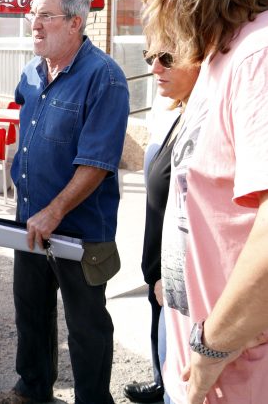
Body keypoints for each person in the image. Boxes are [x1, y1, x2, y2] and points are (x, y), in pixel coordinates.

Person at [128, 0, 268, 404]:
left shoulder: (257, 57)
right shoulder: (217, 56)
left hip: (237, 371)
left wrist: (211, 351)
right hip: (203, 361)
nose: (148, 7)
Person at [0, 0, 129, 404]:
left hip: (80, 230)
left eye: (45, 16)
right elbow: (26, 120)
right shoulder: (33, 70)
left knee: (86, 325)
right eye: (32, 15)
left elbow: (97, 163)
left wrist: (54, 211)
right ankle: (33, 388)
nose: (34, 24)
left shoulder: (104, 77)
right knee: (31, 312)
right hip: (30, 219)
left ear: (74, 22)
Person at [123, 51, 199, 404]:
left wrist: (174, 275)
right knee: (158, 322)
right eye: (149, 56)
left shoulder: (206, 114)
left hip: (184, 274)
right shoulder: (171, 106)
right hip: (159, 249)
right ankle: (159, 377)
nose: (154, 68)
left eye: (166, 58)